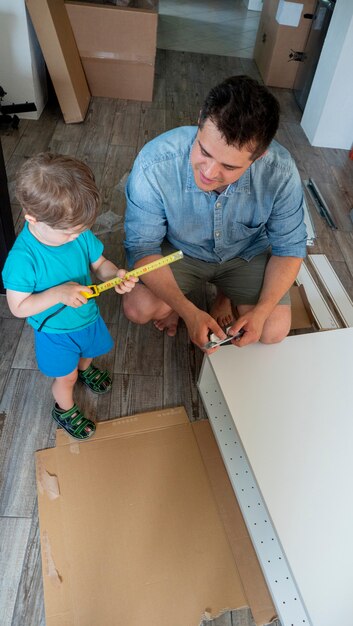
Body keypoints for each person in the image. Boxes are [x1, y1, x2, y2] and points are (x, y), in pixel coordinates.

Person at [123, 74, 307, 350]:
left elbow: (290, 249)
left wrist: (261, 312)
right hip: (179, 250)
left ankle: (224, 295)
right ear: (200, 121)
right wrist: (187, 311)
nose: (208, 173)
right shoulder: (155, 162)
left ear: (260, 155)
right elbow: (141, 247)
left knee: (273, 330)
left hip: (244, 254)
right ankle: (182, 301)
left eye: (229, 167)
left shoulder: (280, 172)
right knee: (139, 308)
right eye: (204, 151)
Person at [2, 154, 137, 440]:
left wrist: (115, 276)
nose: (77, 237)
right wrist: (58, 293)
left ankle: (85, 369)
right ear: (32, 218)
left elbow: (100, 265)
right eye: (69, 232)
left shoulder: (77, 232)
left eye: (82, 230)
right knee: (66, 377)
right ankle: (64, 409)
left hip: (87, 318)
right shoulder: (22, 260)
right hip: (55, 333)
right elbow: (18, 306)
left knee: (88, 355)